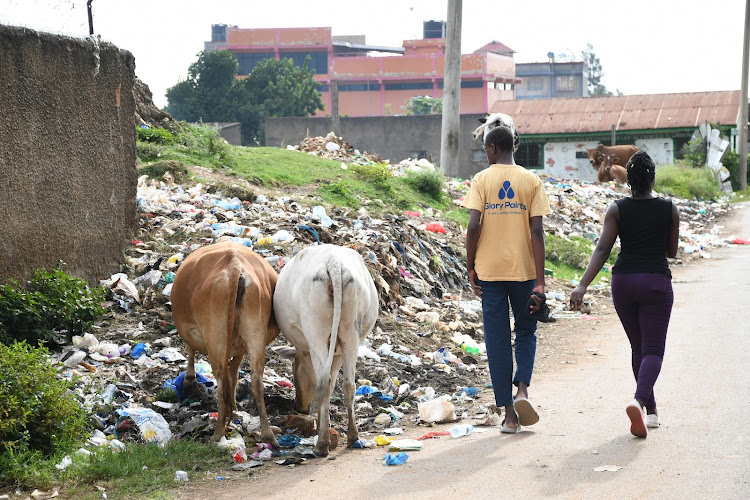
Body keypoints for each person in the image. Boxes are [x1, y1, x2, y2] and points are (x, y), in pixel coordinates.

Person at [570, 150, 679, 438]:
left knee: (637, 347)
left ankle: (651, 412)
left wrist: (582, 285)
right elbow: (672, 251)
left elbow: (603, 250)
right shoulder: (670, 209)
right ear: (652, 177)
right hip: (656, 282)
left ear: (627, 179)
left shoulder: (616, 209)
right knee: (653, 351)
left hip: (623, 283)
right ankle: (639, 401)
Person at [462, 125, 551, 434]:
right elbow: (537, 231)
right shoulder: (531, 181)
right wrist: (540, 282)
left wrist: (470, 265)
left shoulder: (481, 180)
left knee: (498, 342)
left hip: (491, 274)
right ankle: (522, 389)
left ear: (492, 149)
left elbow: (473, 226)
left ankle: (510, 417)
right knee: (526, 333)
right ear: (513, 147)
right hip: (525, 272)